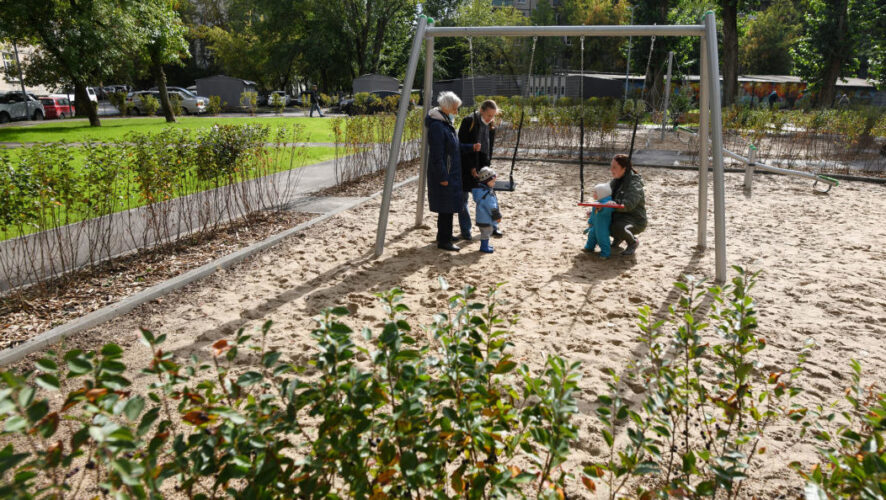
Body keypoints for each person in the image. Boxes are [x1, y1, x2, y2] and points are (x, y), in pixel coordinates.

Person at [426, 91, 481, 251]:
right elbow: (437, 155)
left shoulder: (445, 124)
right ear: (446, 108)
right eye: (455, 109)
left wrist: (471, 147)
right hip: (445, 173)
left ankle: (445, 234)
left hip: (451, 171)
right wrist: (443, 176)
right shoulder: (437, 126)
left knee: (448, 205)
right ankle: (444, 241)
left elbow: (454, 147)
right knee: (446, 207)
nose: (456, 112)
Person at [456, 99, 499, 241]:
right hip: (466, 163)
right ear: (481, 110)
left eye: (493, 116)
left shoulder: (491, 126)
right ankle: (465, 230)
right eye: (488, 115)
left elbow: (489, 149)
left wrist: (487, 167)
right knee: (463, 198)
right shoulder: (469, 121)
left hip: (482, 164)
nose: (490, 118)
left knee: (489, 196)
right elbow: (461, 146)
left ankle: (493, 226)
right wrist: (471, 167)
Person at [608, 154, 646, 256]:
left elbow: (628, 205)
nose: (611, 170)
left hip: (635, 219)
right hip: (619, 216)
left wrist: (614, 205)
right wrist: (596, 209)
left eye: (615, 167)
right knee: (599, 220)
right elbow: (606, 198)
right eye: (611, 166)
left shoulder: (634, 184)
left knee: (619, 227)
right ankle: (618, 237)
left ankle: (633, 242)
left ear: (624, 168)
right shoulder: (615, 181)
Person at [582, 183, 617, 258]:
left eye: (595, 192)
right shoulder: (598, 202)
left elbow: (607, 212)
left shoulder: (608, 203)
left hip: (602, 226)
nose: (593, 194)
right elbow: (595, 214)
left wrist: (602, 209)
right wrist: (591, 216)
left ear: (602, 193)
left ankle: (605, 253)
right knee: (591, 235)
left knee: (602, 239)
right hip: (595, 225)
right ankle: (589, 247)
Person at [472, 167, 502, 254]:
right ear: (486, 182)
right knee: (486, 233)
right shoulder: (487, 194)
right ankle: (484, 247)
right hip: (486, 219)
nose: (494, 183)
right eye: (492, 182)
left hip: (482, 218)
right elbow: (491, 207)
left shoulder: (481, 191)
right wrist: (497, 217)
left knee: (485, 233)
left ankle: (485, 245)